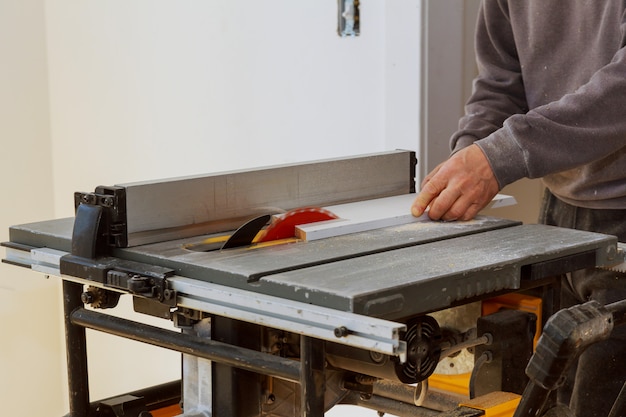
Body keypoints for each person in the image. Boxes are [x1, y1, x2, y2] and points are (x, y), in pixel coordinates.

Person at [410, 2, 626, 417]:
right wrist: (469, 155)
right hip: (561, 215)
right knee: (554, 404)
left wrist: (499, 157)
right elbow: (501, 82)